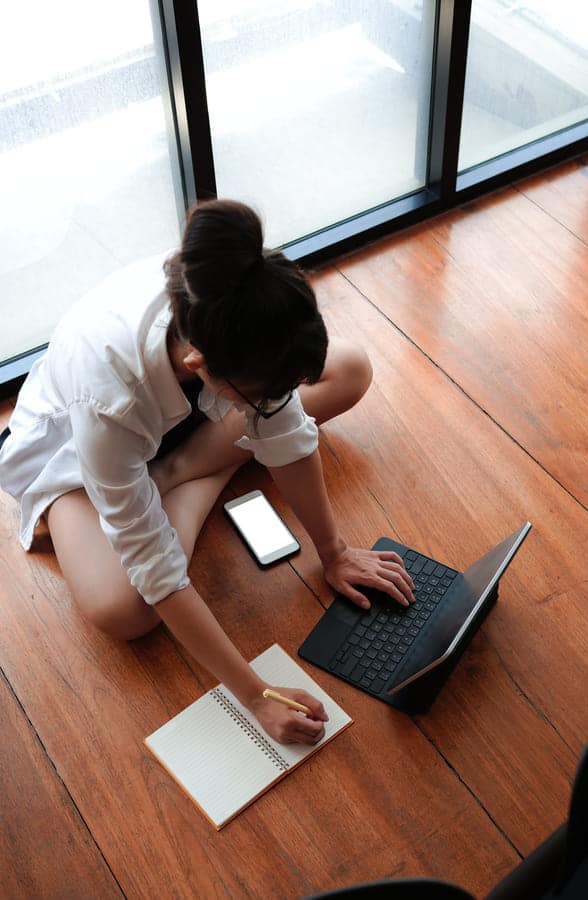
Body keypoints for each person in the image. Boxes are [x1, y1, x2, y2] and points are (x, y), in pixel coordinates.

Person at [0, 199, 414, 746]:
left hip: (184, 414)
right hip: (78, 455)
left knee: (351, 368)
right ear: (200, 365)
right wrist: (255, 697)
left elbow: (287, 430)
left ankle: (178, 472)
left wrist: (334, 552)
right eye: (265, 396)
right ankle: (197, 475)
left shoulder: (227, 287)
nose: (278, 401)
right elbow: (156, 569)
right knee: (124, 611)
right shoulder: (108, 399)